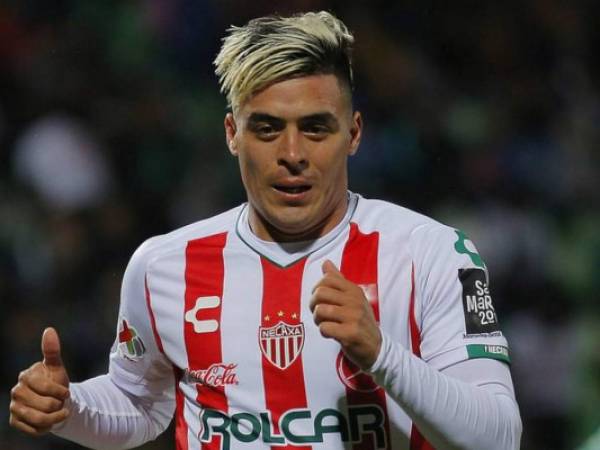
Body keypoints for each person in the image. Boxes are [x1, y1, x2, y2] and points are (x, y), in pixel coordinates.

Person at [9, 11, 522, 450]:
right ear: (233, 134)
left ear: (354, 133)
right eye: (267, 128)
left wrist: (382, 354)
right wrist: (69, 406)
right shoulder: (163, 266)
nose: (293, 155)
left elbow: (500, 437)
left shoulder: (431, 254)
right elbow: (139, 404)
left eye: (316, 128)